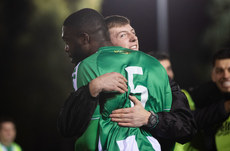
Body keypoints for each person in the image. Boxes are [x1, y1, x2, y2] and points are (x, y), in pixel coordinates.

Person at [58, 14, 196, 151]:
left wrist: (150, 119)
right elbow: (68, 127)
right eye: (123, 35)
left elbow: (187, 128)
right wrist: (91, 89)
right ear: (107, 43)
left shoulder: (157, 71)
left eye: (133, 33)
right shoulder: (92, 72)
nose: (133, 38)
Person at [183, 48, 230, 151]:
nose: (226, 76)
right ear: (213, 75)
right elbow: (189, 121)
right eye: (220, 71)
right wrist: (225, 107)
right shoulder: (204, 94)